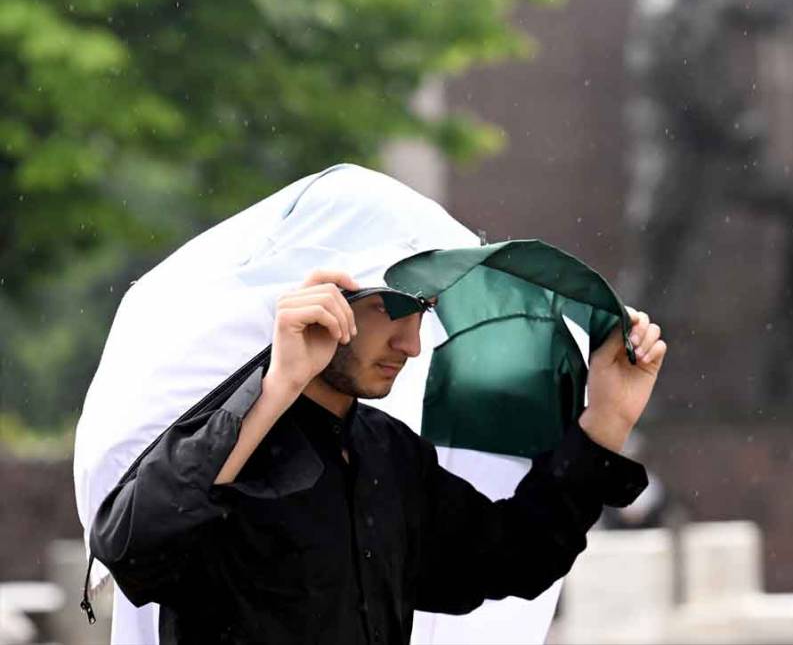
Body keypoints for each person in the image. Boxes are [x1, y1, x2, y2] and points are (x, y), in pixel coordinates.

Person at [89, 262, 667, 644]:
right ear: (328, 299)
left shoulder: (390, 454)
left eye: (423, 313)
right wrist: (279, 384)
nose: (413, 345)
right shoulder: (225, 443)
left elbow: (510, 558)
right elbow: (133, 548)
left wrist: (608, 418)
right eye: (391, 310)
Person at [617, 0, 793, 397]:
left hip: (719, 163)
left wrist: (773, 10)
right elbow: (676, 84)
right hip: (678, 159)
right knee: (656, 272)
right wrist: (733, 127)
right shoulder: (663, 4)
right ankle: (621, 380)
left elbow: (734, 11)